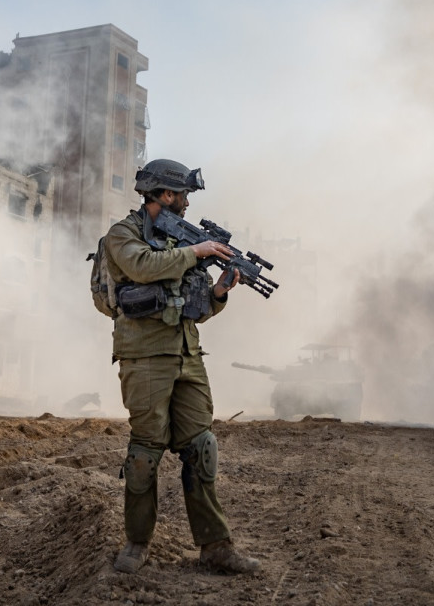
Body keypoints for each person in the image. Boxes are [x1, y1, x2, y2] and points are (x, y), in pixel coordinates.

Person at [102, 158, 260, 575]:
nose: (187, 204)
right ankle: (136, 544)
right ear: (164, 195)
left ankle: (215, 546)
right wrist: (198, 251)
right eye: (183, 195)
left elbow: (197, 309)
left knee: (202, 447)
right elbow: (140, 266)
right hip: (146, 357)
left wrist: (220, 292)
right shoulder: (123, 234)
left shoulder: (182, 245)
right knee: (145, 453)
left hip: (188, 356)